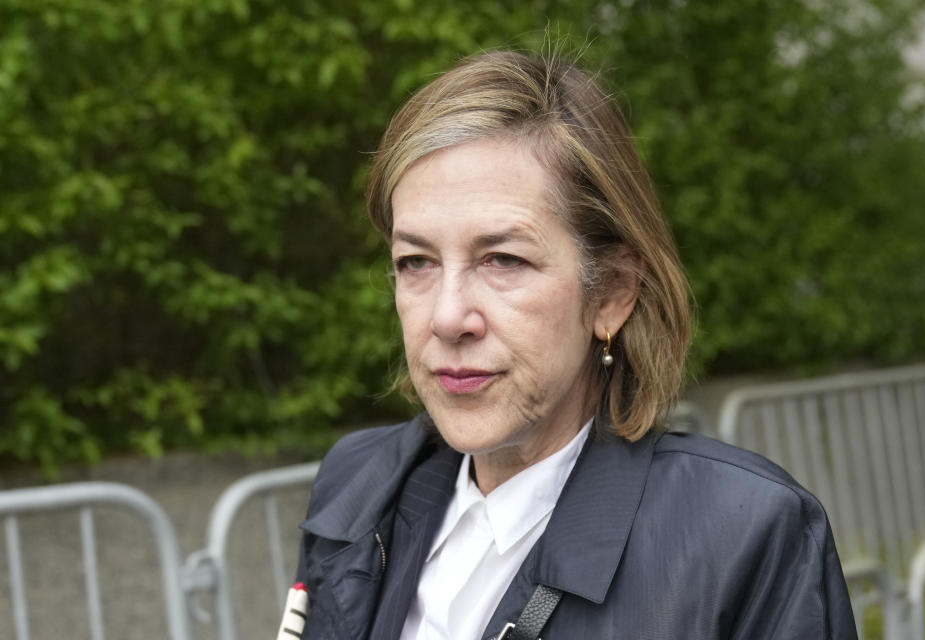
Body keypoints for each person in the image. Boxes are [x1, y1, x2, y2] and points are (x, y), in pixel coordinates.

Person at [292, 50, 857, 640]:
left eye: (503, 259)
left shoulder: (744, 535)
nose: (447, 316)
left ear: (612, 291)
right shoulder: (360, 478)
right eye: (415, 262)